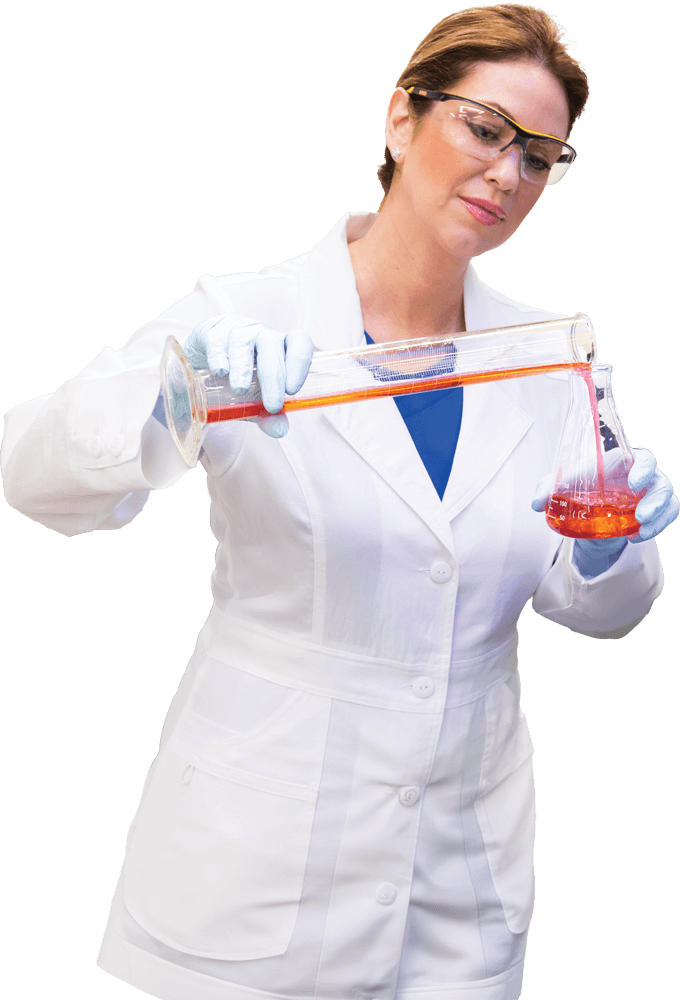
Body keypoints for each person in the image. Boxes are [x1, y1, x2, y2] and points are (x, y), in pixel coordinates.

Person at [2, 6, 677, 1000]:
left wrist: (605, 546)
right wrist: (170, 398)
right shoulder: (240, 316)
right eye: (483, 129)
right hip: (251, 866)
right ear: (402, 117)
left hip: (456, 878)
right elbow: (34, 474)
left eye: (538, 155)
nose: (505, 174)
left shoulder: (544, 352)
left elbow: (598, 611)